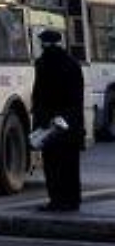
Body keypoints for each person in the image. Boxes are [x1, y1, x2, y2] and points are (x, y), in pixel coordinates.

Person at [31, 28, 84, 212]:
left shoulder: (43, 64)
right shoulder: (73, 64)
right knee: (70, 165)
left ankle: (57, 200)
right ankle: (73, 200)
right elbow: (77, 98)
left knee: (53, 166)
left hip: (50, 125)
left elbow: (39, 97)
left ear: (44, 43)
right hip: (70, 124)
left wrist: (39, 123)